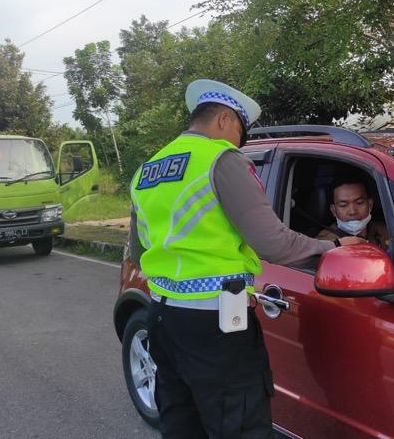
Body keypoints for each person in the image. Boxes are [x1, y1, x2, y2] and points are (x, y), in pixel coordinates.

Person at [129, 79, 362, 439]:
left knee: (181, 420)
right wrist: (332, 249)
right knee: (239, 424)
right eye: (241, 130)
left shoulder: (148, 169)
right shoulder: (220, 159)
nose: (242, 142)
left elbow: (140, 248)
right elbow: (273, 243)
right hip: (216, 322)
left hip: (163, 315)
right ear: (224, 119)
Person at [316, 177, 389, 249]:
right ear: (334, 211)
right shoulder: (326, 243)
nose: (352, 211)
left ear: (370, 205)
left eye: (359, 203)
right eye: (343, 205)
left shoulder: (387, 232)